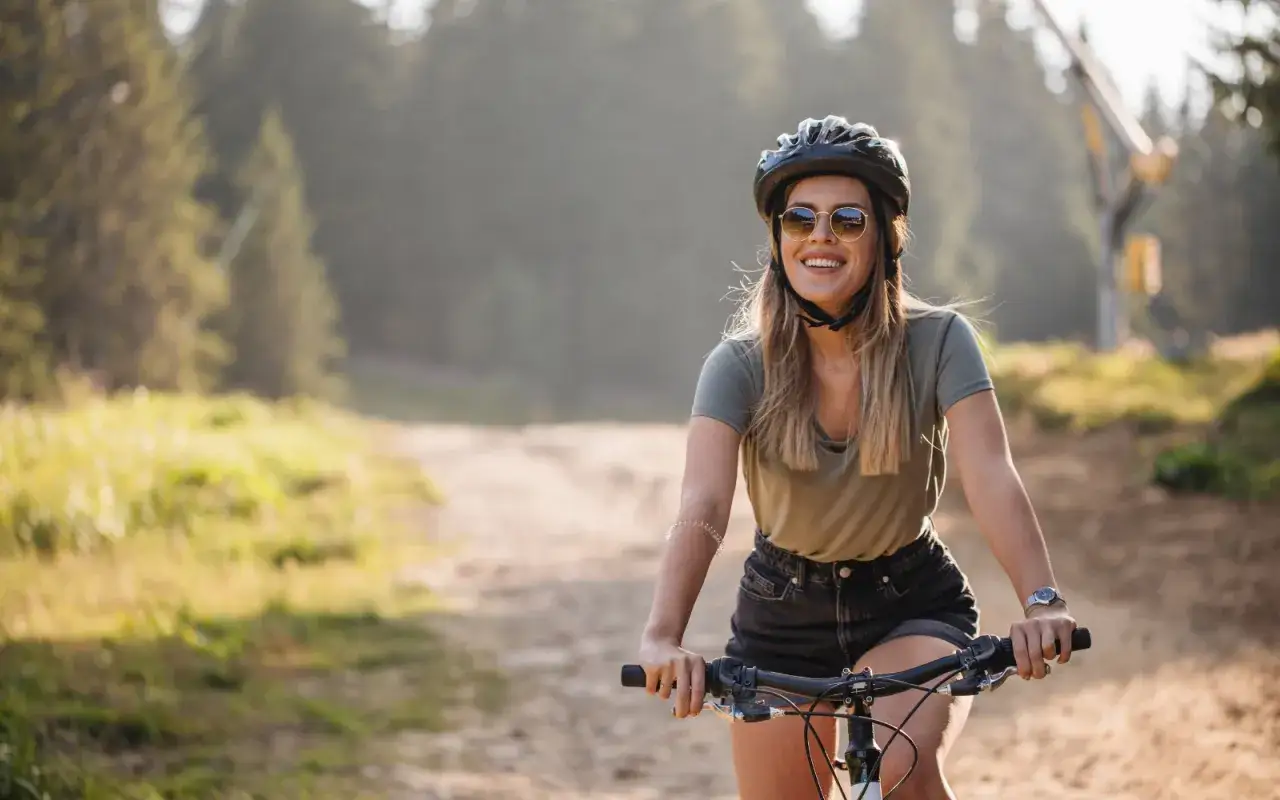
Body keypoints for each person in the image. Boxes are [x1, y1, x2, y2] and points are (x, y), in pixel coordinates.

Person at [636, 115, 1081, 800]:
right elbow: (702, 505)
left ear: (884, 241)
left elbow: (991, 474)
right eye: (799, 220)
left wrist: (1042, 600)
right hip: (782, 613)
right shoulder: (738, 365)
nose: (820, 237)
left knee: (901, 775)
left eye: (847, 220)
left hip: (908, 600)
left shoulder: (940, 343)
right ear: (778, 239)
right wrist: (663, 636)